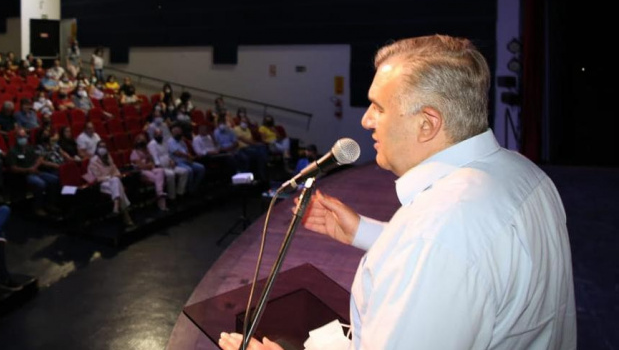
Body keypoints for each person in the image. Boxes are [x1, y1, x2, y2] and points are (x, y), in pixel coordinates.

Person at [219, 35, 576, 350]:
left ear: (427, 123)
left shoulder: (440, 229)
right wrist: (362, 231)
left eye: (379, 106)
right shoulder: (524, 173)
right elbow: (476, 262)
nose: (366, 120)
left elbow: (440, 251)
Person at [7, 128, 59, 216]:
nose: (22, 139)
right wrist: (27, 170)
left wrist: (35, 167)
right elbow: (13, 168)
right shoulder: (12, 151)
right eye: (20, 137)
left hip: (36, 171)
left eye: (24, 136)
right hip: (24, 174)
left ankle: (50, 204)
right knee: (40, 184)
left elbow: (38, 158)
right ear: (16, 137)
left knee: (54, 180)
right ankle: (38, 207)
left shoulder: (30, 147)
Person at [87, 141, 134, 226]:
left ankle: (116, 205)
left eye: (104, 147)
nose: (102, 149)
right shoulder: (93, 160)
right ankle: (126, 216)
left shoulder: (108, 157)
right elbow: (97, 178)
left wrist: (115, 176)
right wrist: (110, 178)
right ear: (97, 148)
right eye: (100, 147)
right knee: (117, 183)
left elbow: (115, 169)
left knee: (116, 181)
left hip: (113, 182)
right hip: (102, 184)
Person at [129, 135, 167, 211]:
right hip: (142, 172)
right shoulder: (134, 152)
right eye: (140, 140)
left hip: (150, 169)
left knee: (161, 171)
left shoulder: (147, 151)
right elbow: (140, 166)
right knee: (159, 181)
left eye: (143, 140)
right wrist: (148, 165)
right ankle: (161, 203)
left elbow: (152, 162)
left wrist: (150, 164)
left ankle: (159, 193)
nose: (142, 142)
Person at [166, 126, 205, 193]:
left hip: (186, 160)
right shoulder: (170, 141)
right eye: (177, 133)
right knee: (189, 170)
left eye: (180, 133)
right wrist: (187, 156)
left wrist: (190, 157)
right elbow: (177, 153)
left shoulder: (182, 141)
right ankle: (189, 189)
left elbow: (186, 151)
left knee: (201, 168)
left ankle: (194, 187)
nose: (179, 134)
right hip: (178, 162)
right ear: (173, 133)